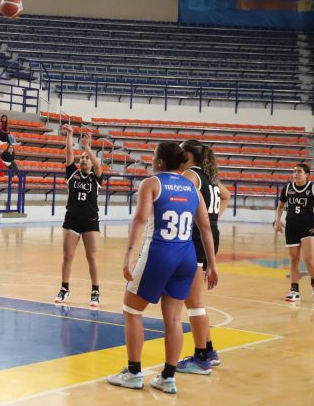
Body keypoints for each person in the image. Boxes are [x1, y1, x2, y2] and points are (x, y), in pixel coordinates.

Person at [107, 142, 217, 395]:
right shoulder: (192, 188)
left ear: (159, 162)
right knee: (174, 319)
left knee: (131, 311)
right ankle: (168, 377)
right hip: (186, 256)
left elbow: (140, 219)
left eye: (153, 156)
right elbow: (205, 228)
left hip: (159, 253)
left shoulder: (152, 183)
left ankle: (133, 373)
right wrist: (212, 264)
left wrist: (128, 254)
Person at [177, 140, 231, 374]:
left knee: (193, 301)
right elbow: (226, 195)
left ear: (188, 155)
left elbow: (178, 201)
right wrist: (212, 217)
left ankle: (200, 358)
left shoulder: (191, 175)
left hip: (197, 238)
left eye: (180, 150)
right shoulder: (209, 176)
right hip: (209, 235)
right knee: (195, 298)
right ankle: (208, 350)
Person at [55, 124, 103, 306]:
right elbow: (69, 154)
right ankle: (64, 289)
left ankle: (95, 291)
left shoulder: (96, 177)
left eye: (86, 158)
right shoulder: (72, 173)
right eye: (82, 158)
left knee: (92, 257)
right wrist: (70, 135)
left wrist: (87, 148)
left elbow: (98, 165)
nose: (84, 160)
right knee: (67, 256)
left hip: (90, 221)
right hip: (72, 220)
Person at [275, 163, 314, 302]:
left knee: (308, 259)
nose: (295, 174)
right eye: (294, 171)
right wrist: (277, 220)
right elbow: (280, 206)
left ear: (307, 174)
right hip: (291, 227)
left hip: (308, 227)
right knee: (293, 259)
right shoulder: (287, 188)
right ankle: (294, 290)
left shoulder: (312, 187)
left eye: (299, 171)